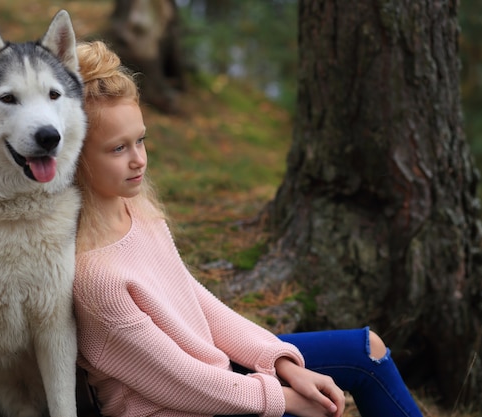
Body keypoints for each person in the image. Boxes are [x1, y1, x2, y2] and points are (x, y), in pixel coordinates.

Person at [73, 40, 424, 417]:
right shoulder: (94, 276)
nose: (138, 160)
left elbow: (200, 305)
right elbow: (179, 379)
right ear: (73, 156)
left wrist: (285, 366)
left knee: (366, 352)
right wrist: (283, 398)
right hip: (178, 407)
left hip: (217, 375)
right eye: (117, 149)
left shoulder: (137, 213)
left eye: (140, 140)